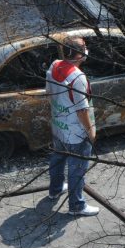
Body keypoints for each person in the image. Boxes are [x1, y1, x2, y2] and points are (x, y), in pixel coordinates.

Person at [45, 36, 99, 216]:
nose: (87, 50)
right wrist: (90, 132)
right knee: (77, 169)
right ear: (78, 54)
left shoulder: (54, 66)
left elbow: (49, 93)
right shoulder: (78, 78)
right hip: (76, 133)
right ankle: (77, 205)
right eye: (84, 48)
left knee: (58, 159)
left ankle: (55, 189)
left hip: (59, 126)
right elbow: (82, 110)